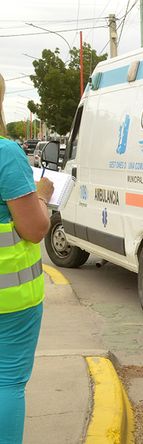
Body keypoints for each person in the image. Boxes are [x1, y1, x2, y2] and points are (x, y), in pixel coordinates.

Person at [1, 71, 55, 444]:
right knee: (7, 380)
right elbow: (34, 229)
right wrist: (42, 195)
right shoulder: (6, 154)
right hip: (10, 301)